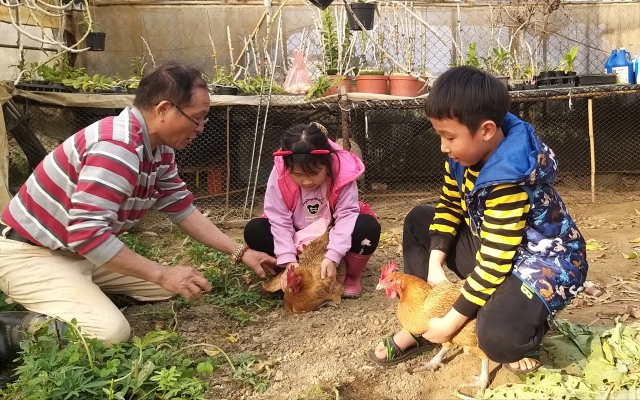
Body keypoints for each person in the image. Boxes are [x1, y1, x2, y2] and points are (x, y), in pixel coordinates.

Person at [0, 63, 277, 361]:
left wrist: (241, 252)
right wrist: (162, 272)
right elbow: (87, 234)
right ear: (163, 109)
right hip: (31, 254)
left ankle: (81, 295)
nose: (200, 128)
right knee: (109, 333)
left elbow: (181, 208)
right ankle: (11, 331)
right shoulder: (116, 148)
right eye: (196, 118)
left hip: (77, 253)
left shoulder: (159, 148)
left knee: (167, 289)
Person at [370, 66, 588, 374]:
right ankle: (424, 319)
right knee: (420, 219)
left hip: (542, 266)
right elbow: (449, 205)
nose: (443, 147)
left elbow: (495, 262)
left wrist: (451, 323)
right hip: (497, 247)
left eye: (449, 137)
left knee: (498, 341)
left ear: (486, 130)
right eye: (440, 135)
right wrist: (434, 267)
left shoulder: (507, 181)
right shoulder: (461, 157)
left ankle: (527, 324)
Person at [244, 122, 381, 297]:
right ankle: (289, 272)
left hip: (331, 233)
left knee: (367, 226)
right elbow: (278, 219)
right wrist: (288, 261)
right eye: (298, 175)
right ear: (287, 168)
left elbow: (346, 216)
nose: (307, 182)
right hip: (296, 234)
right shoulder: (279, 175)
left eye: (314, 173)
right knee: (255, 230)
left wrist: (333, 256)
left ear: (328, 163)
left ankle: (350, 276)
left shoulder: (342, 173)